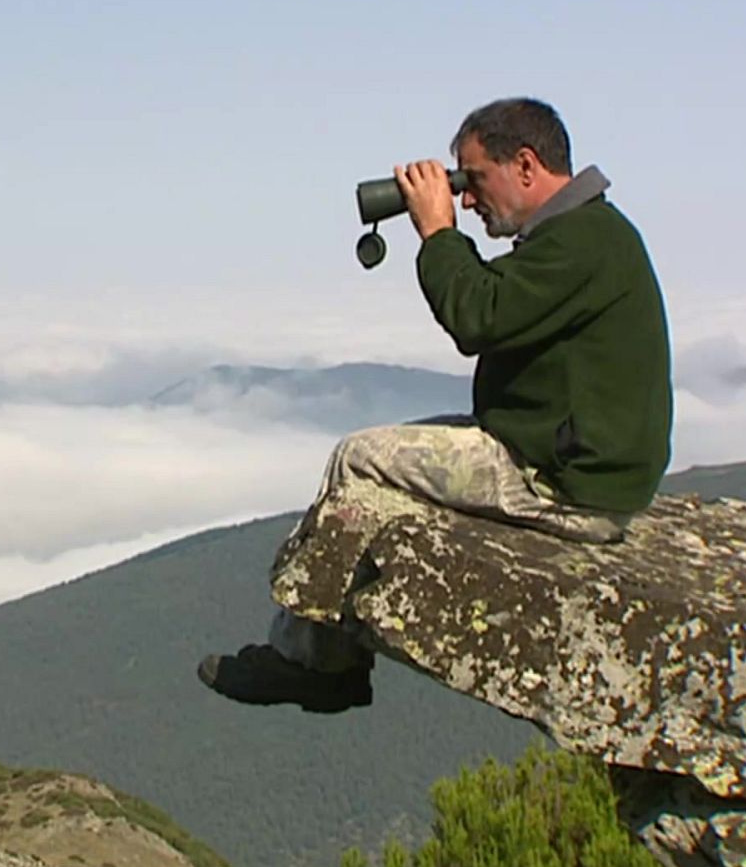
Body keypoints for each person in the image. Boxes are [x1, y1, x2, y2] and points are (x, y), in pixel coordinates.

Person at [197, 97, 673, 712]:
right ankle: (320, 656)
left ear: (526, 165)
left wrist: (437, 231)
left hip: (561, 481)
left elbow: (478, 316)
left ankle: (314, 664)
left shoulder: (583, 241)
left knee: (359, 457)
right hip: (567, 458)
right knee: (383, 460)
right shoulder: (588, 233)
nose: (468, 200)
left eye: (474, 180)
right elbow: (497, 304)